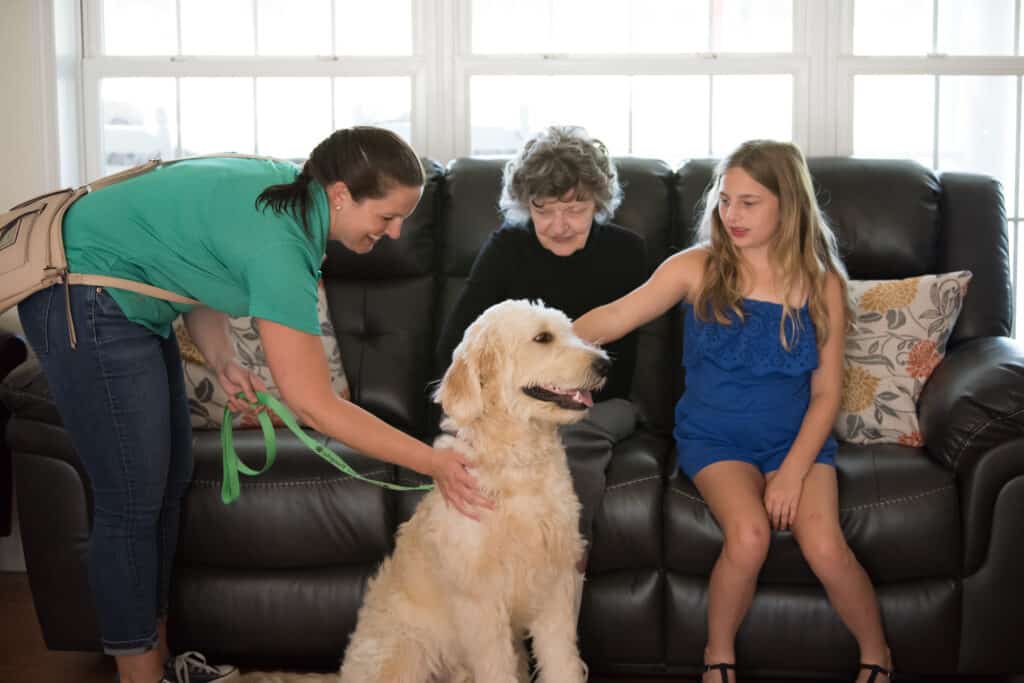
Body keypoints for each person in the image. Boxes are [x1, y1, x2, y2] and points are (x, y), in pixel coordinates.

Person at [17, 127, 491, 683]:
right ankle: (138, 676)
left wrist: (220, 359)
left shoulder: (287, 193)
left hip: (124, 300)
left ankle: (159, 666)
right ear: (340, 194)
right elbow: (313, 405)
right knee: (131, 500)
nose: (395, 233)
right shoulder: (284, 243)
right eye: (387, 217)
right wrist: (432, 461)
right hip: (80, 292)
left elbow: (196, 262)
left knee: (167, 485)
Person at [574, 140, 893, 683]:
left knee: (823, 544)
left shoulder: (823, 284)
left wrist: (792, 473)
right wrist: (535, 343)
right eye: (725, 200)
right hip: (715, 439)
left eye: (750, 202)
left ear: (788, 205)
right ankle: (717, 657)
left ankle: (878, 656)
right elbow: (614, 318)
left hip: (794, 439)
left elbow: (825, 395)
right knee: (748, 536)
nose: (732, 215)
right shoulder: (697, 267)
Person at [435, 125, 648, 580]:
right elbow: (456, 345)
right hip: (520, 406)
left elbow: (641, 363)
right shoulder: (507, 250)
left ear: (599, 203)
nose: (559, 225)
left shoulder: (627, 253)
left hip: (602, 402)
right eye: (543, 209)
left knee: (571, 439)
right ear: (523, 205)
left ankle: (567, 562)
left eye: (576, 208)